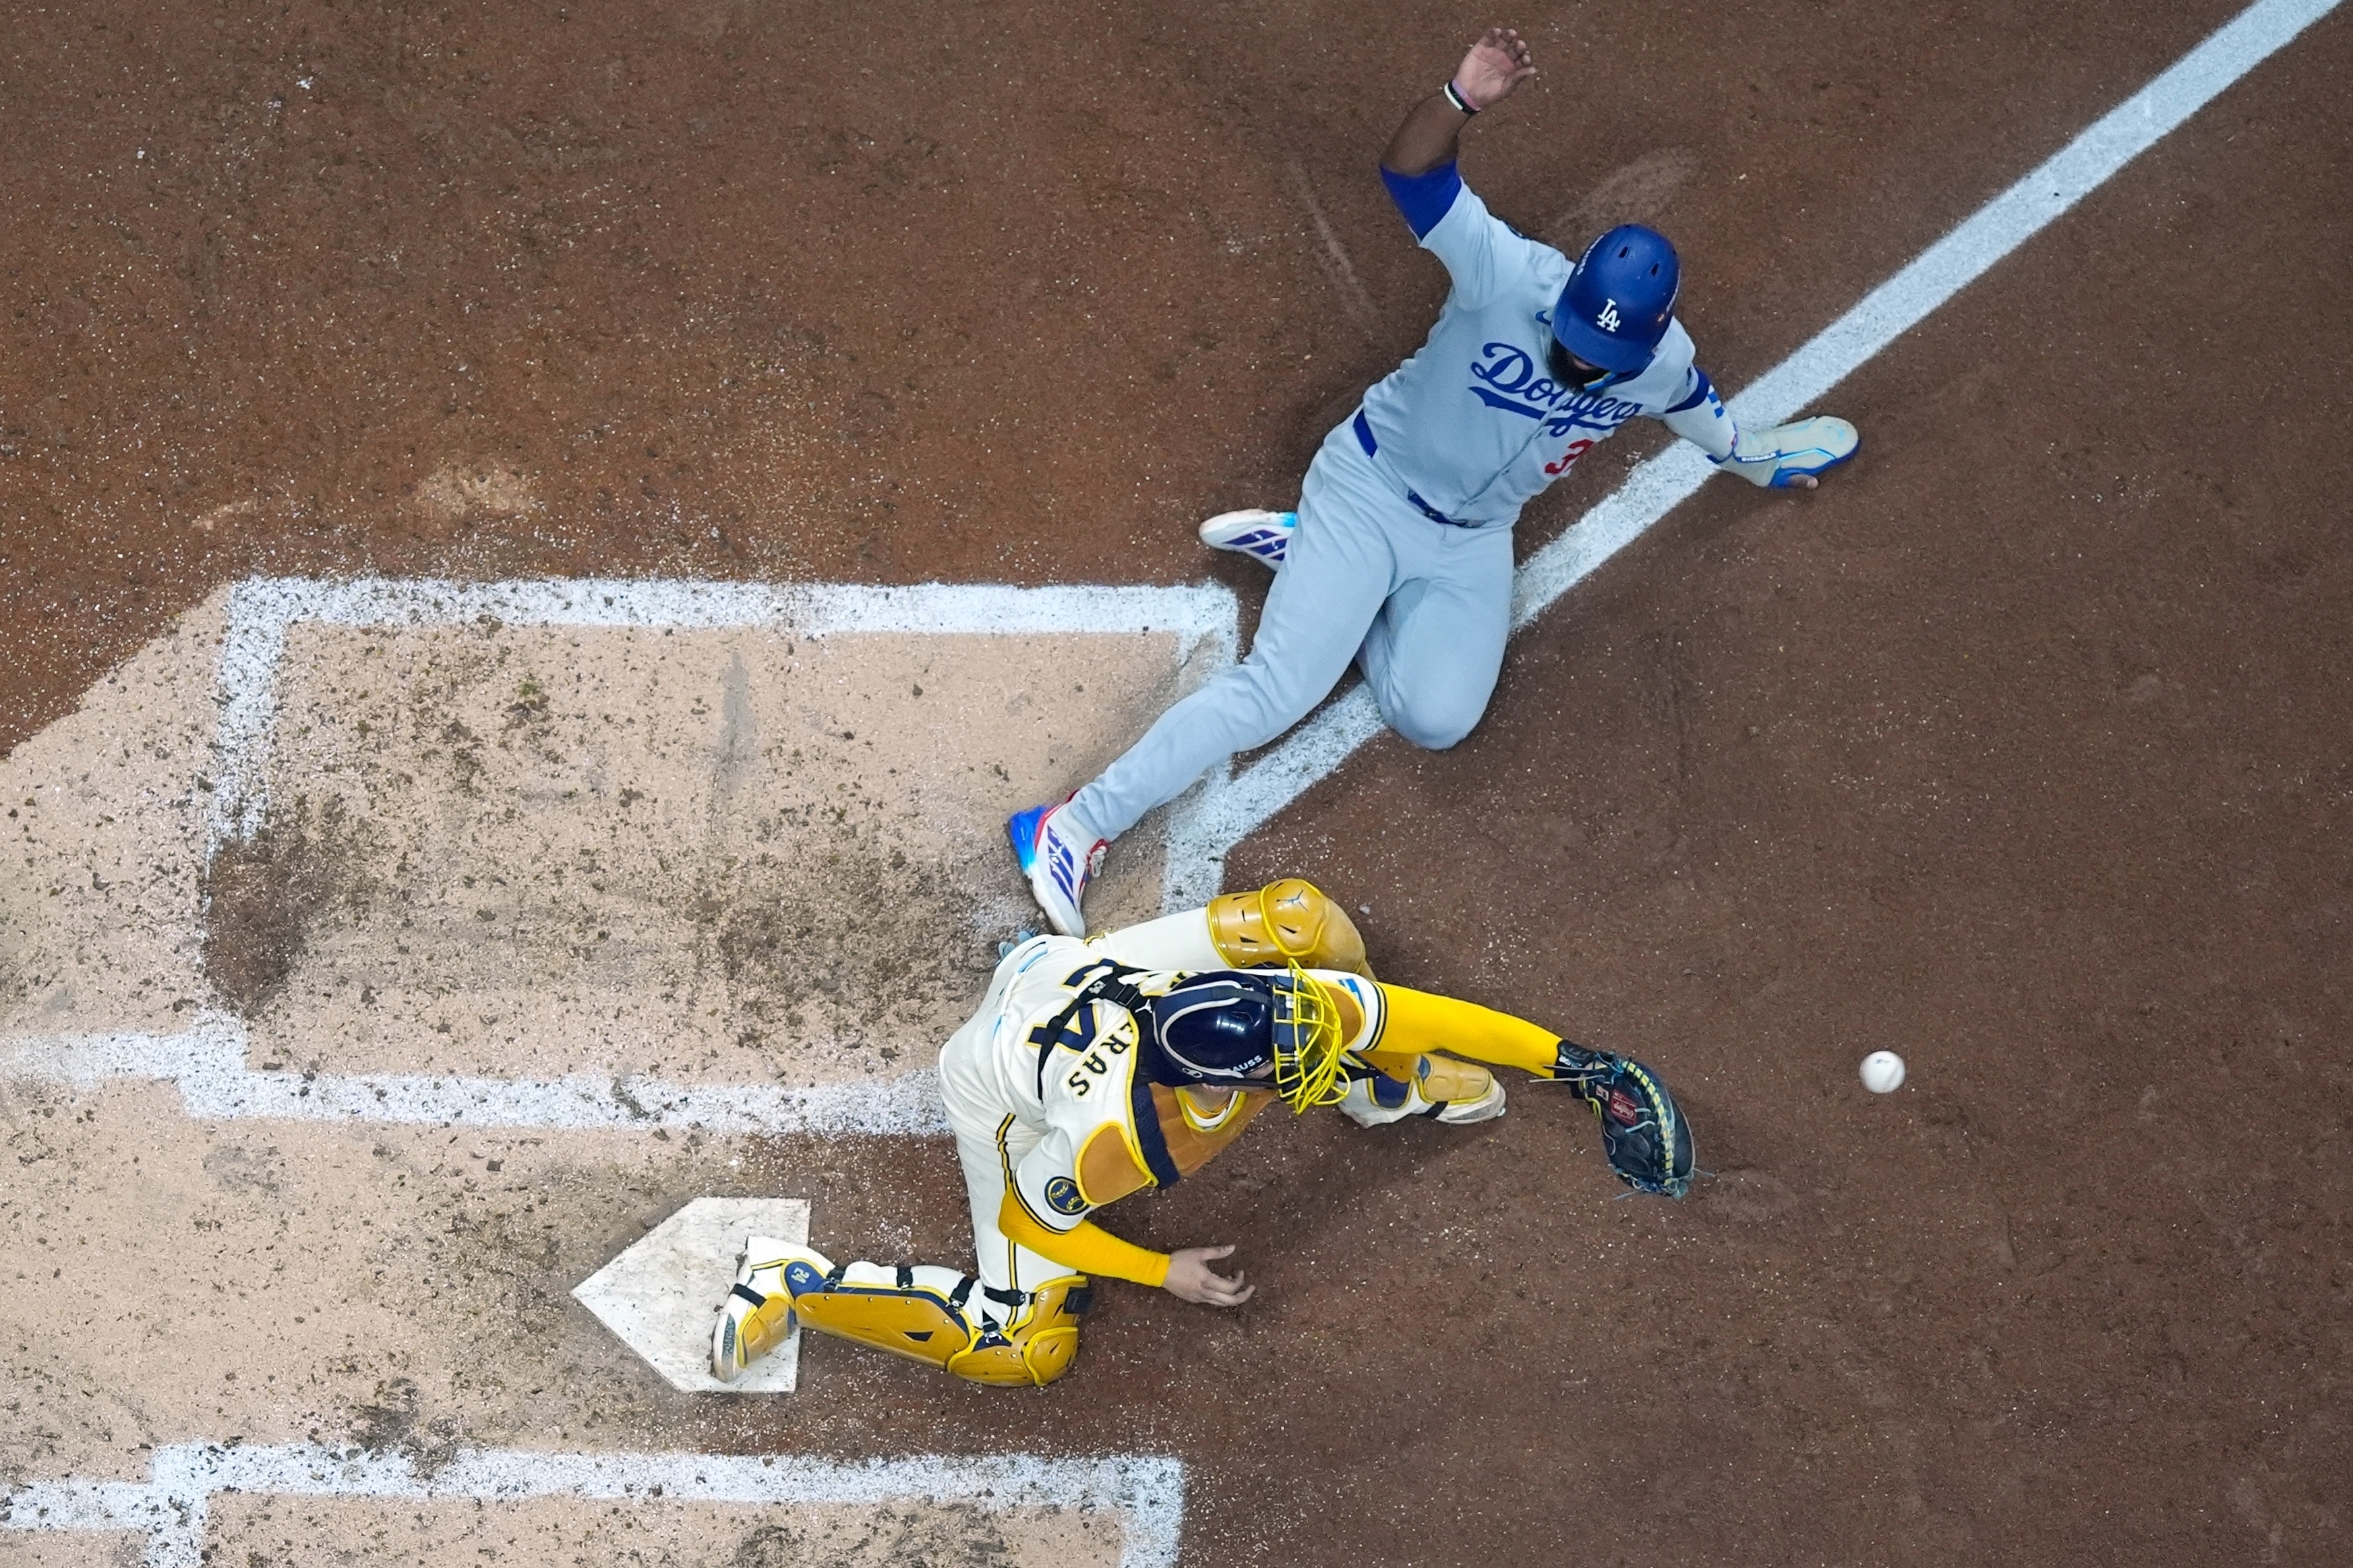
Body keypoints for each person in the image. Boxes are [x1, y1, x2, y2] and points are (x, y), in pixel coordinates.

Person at [1008, 26, 1858, 937]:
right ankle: (1074, 822)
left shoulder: (1659, 366)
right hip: (1369, 488)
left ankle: (1305, 566)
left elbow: (1711, 423)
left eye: (1600, 352)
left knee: (1437, 716)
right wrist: (1458, 101)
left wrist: (1765, 461)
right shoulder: (1505, 276)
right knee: (1277, 691)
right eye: (1575, 332)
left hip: (1469, 542)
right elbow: (1411, 176)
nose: (1577, 355)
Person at [711, 879, 1691, 1387]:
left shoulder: (1264, 1003)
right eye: (1287, 1067)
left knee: (1300, 921)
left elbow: (1421, 1012)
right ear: (1220, 1085)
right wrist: (1159, 1269)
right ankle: (791, 1283)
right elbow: (1038, 1217)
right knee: (1020, 1347)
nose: (1307, 1044)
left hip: (1067, 975)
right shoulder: (1118, 1142)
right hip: (998, 1082)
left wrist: (1574, 1063)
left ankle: (1388, 1097)